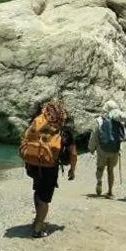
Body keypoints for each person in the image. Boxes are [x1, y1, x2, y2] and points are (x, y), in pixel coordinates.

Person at [22, 100, 77, 238]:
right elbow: (73, 153)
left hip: (33, 164)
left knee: (38, 191)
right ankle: (38, 229)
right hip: (49, 168)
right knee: (45, 198)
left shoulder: (36, 125)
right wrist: (72, 169)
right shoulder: (63, 132)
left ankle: (37, 219)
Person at [87, 100, 126, 199]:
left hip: (102, 148)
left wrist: (91, 148)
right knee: (110, 170)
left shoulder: (99, 120)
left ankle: (99, 182)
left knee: (100, 167)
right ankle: (110, 191)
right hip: (114, 149)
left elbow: (94, 135)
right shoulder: (118, 121)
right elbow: (124, 136)